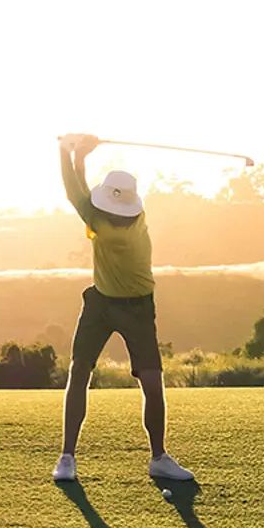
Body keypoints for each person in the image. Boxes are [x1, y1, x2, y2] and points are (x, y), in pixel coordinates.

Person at [52, 133, 194, 484]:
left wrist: (70, 152)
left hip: (136, 308)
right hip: (101, 302)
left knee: (151, 382)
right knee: (80, 371)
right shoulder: (126, 214)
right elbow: (79, 192)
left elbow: (75, 191)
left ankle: (158, 458)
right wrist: (78, 156)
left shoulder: (102, 220)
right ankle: (67, 457)